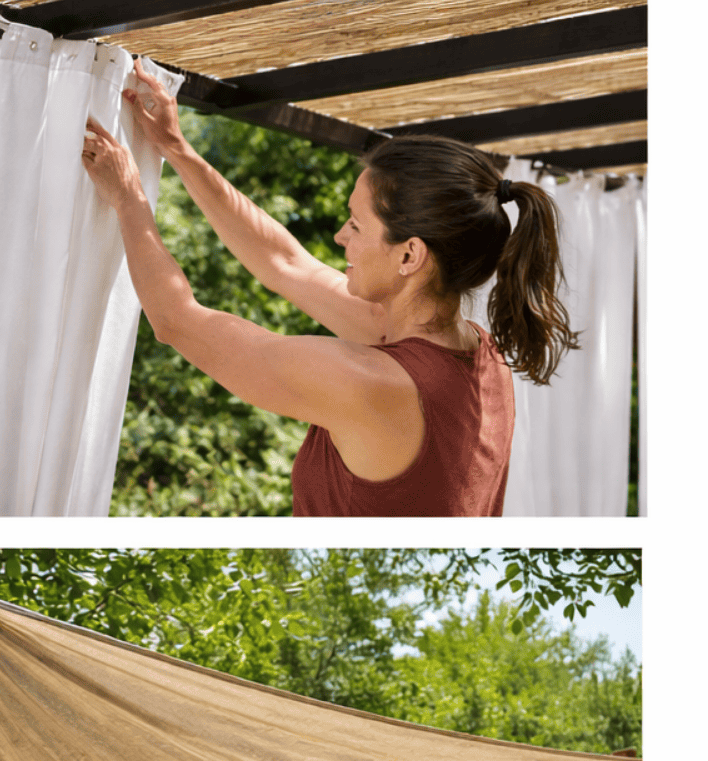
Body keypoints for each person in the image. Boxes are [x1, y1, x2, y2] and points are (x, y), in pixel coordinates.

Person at [80, 59, 579, 516]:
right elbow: (285, 262)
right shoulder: (481, 356)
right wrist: (177, 150)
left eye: (356, 226)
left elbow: (177, 322)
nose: (340, 236)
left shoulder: (370, 383)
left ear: (410, 256)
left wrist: (128, 197)